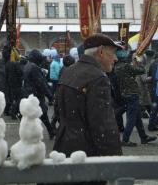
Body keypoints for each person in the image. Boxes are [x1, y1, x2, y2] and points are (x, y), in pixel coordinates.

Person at [54, 33, 123, 161]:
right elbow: (103, 127)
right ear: (101, 51)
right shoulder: (98, 78)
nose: (115, 59)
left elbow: (58, 111)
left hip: (63, 147)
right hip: (86, 153)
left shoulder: (68, 71)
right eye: (113, 53)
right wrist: (115, 161)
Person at [114, 52, 156, 146]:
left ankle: (143, 137)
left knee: (137, 118)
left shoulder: (117, 67)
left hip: (126, 93)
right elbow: (141, 71)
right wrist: (139, 62)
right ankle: (125, 140)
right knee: (132, 119)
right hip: (132, 94)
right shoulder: (126, 66)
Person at [23, 49, 55, 139]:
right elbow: (41, 83)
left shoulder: (27, 66)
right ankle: (50, 131)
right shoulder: (34, 67)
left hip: (29, 94)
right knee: (42, 114)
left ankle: (49, 131)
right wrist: (50, 96)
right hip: (36, 95)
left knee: (35, 115)